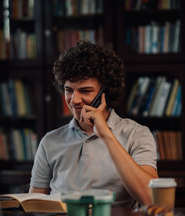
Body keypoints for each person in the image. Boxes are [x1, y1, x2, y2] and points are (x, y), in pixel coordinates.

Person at [29, 40, 158, 207]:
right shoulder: (49, 141)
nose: (74, 100)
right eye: (69, 90)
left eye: (85, 91)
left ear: (106, 93)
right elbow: (33, 205)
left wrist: (106, 135)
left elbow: (150, 198)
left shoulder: (137, 134)